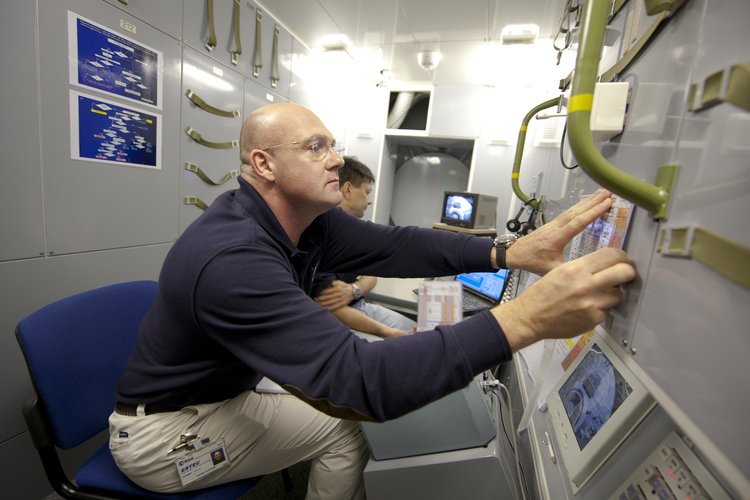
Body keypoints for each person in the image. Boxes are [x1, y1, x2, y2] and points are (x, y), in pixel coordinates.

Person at [110, 102, 635, 498]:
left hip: (224, 396)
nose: (337, 159)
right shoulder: (231, 257)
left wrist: (510, 251)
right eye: (315, 148)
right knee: (345, 429)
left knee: (338, 410)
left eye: (332, 144)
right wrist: (526, 317)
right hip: (166, 434)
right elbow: (363, 384)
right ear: (264, 165)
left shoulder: (304, 224)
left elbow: (398, 244)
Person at [312, 155, 415, 338]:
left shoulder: (349, 232)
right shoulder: (318, 234)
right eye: (367, 192)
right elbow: (331, 305)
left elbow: (371, 275)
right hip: (338, 320)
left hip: (358, 306)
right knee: (406, 345)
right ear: (348, 189)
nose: (370, 201)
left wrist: (354, 289)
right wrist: (386, 332)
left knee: (418, 332)